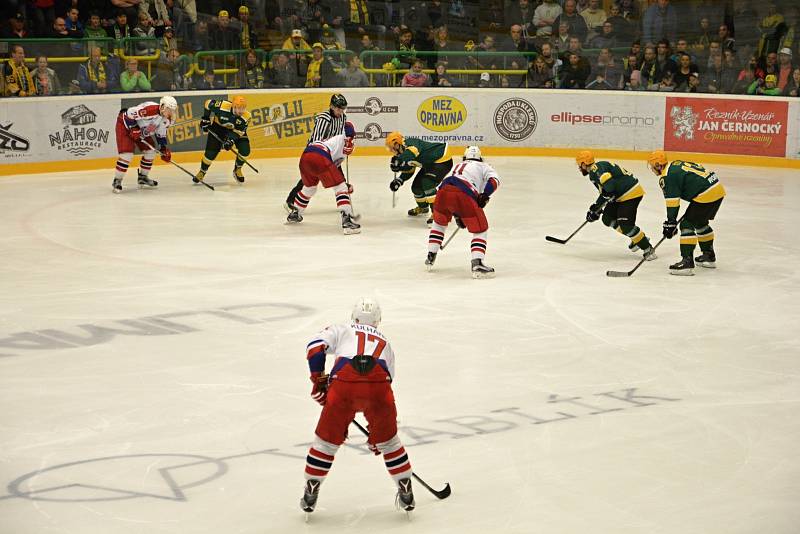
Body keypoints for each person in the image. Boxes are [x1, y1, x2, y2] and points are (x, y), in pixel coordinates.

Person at [299, 298, 415, 514]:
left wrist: (318, 379)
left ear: (353, 316)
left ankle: (312, 486)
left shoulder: (342, 329)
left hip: (344, 383)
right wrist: (377, 430)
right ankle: (405, 487)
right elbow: (387, 381)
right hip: (379, 384)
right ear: (378, 321)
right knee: (389, 443)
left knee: (325, 443)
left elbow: (315, 348)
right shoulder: (385, 342)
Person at [425, 146, 500, 279]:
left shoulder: (458, 166)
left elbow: (448, 189)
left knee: (439, 223)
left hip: (442, 192)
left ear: (465, 158)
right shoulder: (484, 166)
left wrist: (457, 213)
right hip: (464, 193)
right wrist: (485, 195)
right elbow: (494, 181)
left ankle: (431, 255)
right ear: (480, 158)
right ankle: (477, 263)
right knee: (480, 229)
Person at [647, 151, 726, 275]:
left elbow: (673, 201)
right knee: (700, 223)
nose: (651, 169)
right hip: (717, 189)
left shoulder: (667, 176)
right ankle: (709, 256)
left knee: (686, 224)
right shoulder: (675, 164)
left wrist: (671, 222)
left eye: (652, 166)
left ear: (658, 165)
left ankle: (687, 263)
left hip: (706, 193)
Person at [576, 151, 657, 261]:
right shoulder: (593, 174)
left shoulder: (597, 168)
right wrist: (595, 208)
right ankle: (638, 239)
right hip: (620, 196)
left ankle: (647, 248)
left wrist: (608, 194)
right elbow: (605, 192)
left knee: (626, 226)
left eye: (580, 165)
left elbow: (610, 187)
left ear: (584, 164)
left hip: (631, 193)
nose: (579, 168)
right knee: (607, 218)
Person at [286, 122, 360, 235]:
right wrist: (344, 186)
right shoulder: (343, 138)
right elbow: (348, 127)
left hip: (306, 156)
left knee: (309, 188)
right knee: (340, 188)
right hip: (320, 156)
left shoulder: (332, 140)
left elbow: (333, 168)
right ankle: (347, 221)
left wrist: (344, 183)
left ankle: (295, 213)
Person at [284, 94, 349, 212]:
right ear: (331, 106)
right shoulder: (324, 118)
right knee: (310, 179)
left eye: (342, 109)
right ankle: (291, 201)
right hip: (318, 152)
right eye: (338, 109)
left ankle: (343, 198)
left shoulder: (343, 117)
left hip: (331, 151)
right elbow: (317, 139)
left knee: (338, 176)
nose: (341, 111)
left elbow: (340, 135)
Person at [112, 96, 177, 193]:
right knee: (126, 155)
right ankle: (117, 180)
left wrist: (163, 148)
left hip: (141, 131)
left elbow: (160, 134)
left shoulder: (165, 119)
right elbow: (128, 114)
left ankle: (143, 177)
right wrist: (134, 128)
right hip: (125, 125)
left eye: (173, 110)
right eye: (169, 110)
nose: (171, 113)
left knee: (150, 152)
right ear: (162, 106)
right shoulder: (149, 110)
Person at [387, 132, 453, 224]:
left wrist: (399, 160)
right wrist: (399, 180)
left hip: (442, 160)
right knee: (416, 187)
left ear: (397, 143)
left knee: (427, 183)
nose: (391, 150)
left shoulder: (410, 143)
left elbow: (412, 152)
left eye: (392, 147)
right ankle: (423, 208)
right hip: (429, 164)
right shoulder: (402, 154)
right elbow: (409, 169)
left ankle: (437, 213)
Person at [195, 96, 251, 185]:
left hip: (234, 130)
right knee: (210, 153)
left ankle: (238, 169)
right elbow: (208, 103)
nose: (241, 111)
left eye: (243, 108)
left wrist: (230, 140)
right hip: (218, 128)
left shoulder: (246, 116)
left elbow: (239, 132)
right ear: (233, 106)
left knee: (245, 150)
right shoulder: (222, 106)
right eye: (239, 108)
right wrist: (205, 119)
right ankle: (202, 171)